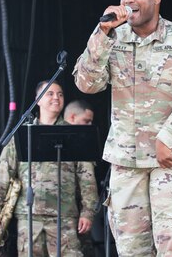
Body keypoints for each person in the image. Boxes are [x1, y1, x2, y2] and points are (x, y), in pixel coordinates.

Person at [72, 0, 172, 256]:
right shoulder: (113, 38)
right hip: (127, 161)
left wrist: (169, 137)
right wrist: (102, 33)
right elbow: (87, 84)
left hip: (171, 158)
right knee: (131, 250)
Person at [0, 81, 98, 257]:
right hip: (29, 218)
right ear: (37, 100)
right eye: (50, 94)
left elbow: (87, 179)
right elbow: (5, 172)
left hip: (64, 217)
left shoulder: (74, 134)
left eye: (60, 94)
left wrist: (88, 212)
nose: (56, 98)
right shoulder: (23, 134)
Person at [63, 99, 98, 257]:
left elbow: (88, 183)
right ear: (72, 117)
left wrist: (87, 212)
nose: (89, 126)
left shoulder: (83, 144)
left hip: (73, 212)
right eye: (86, 121)